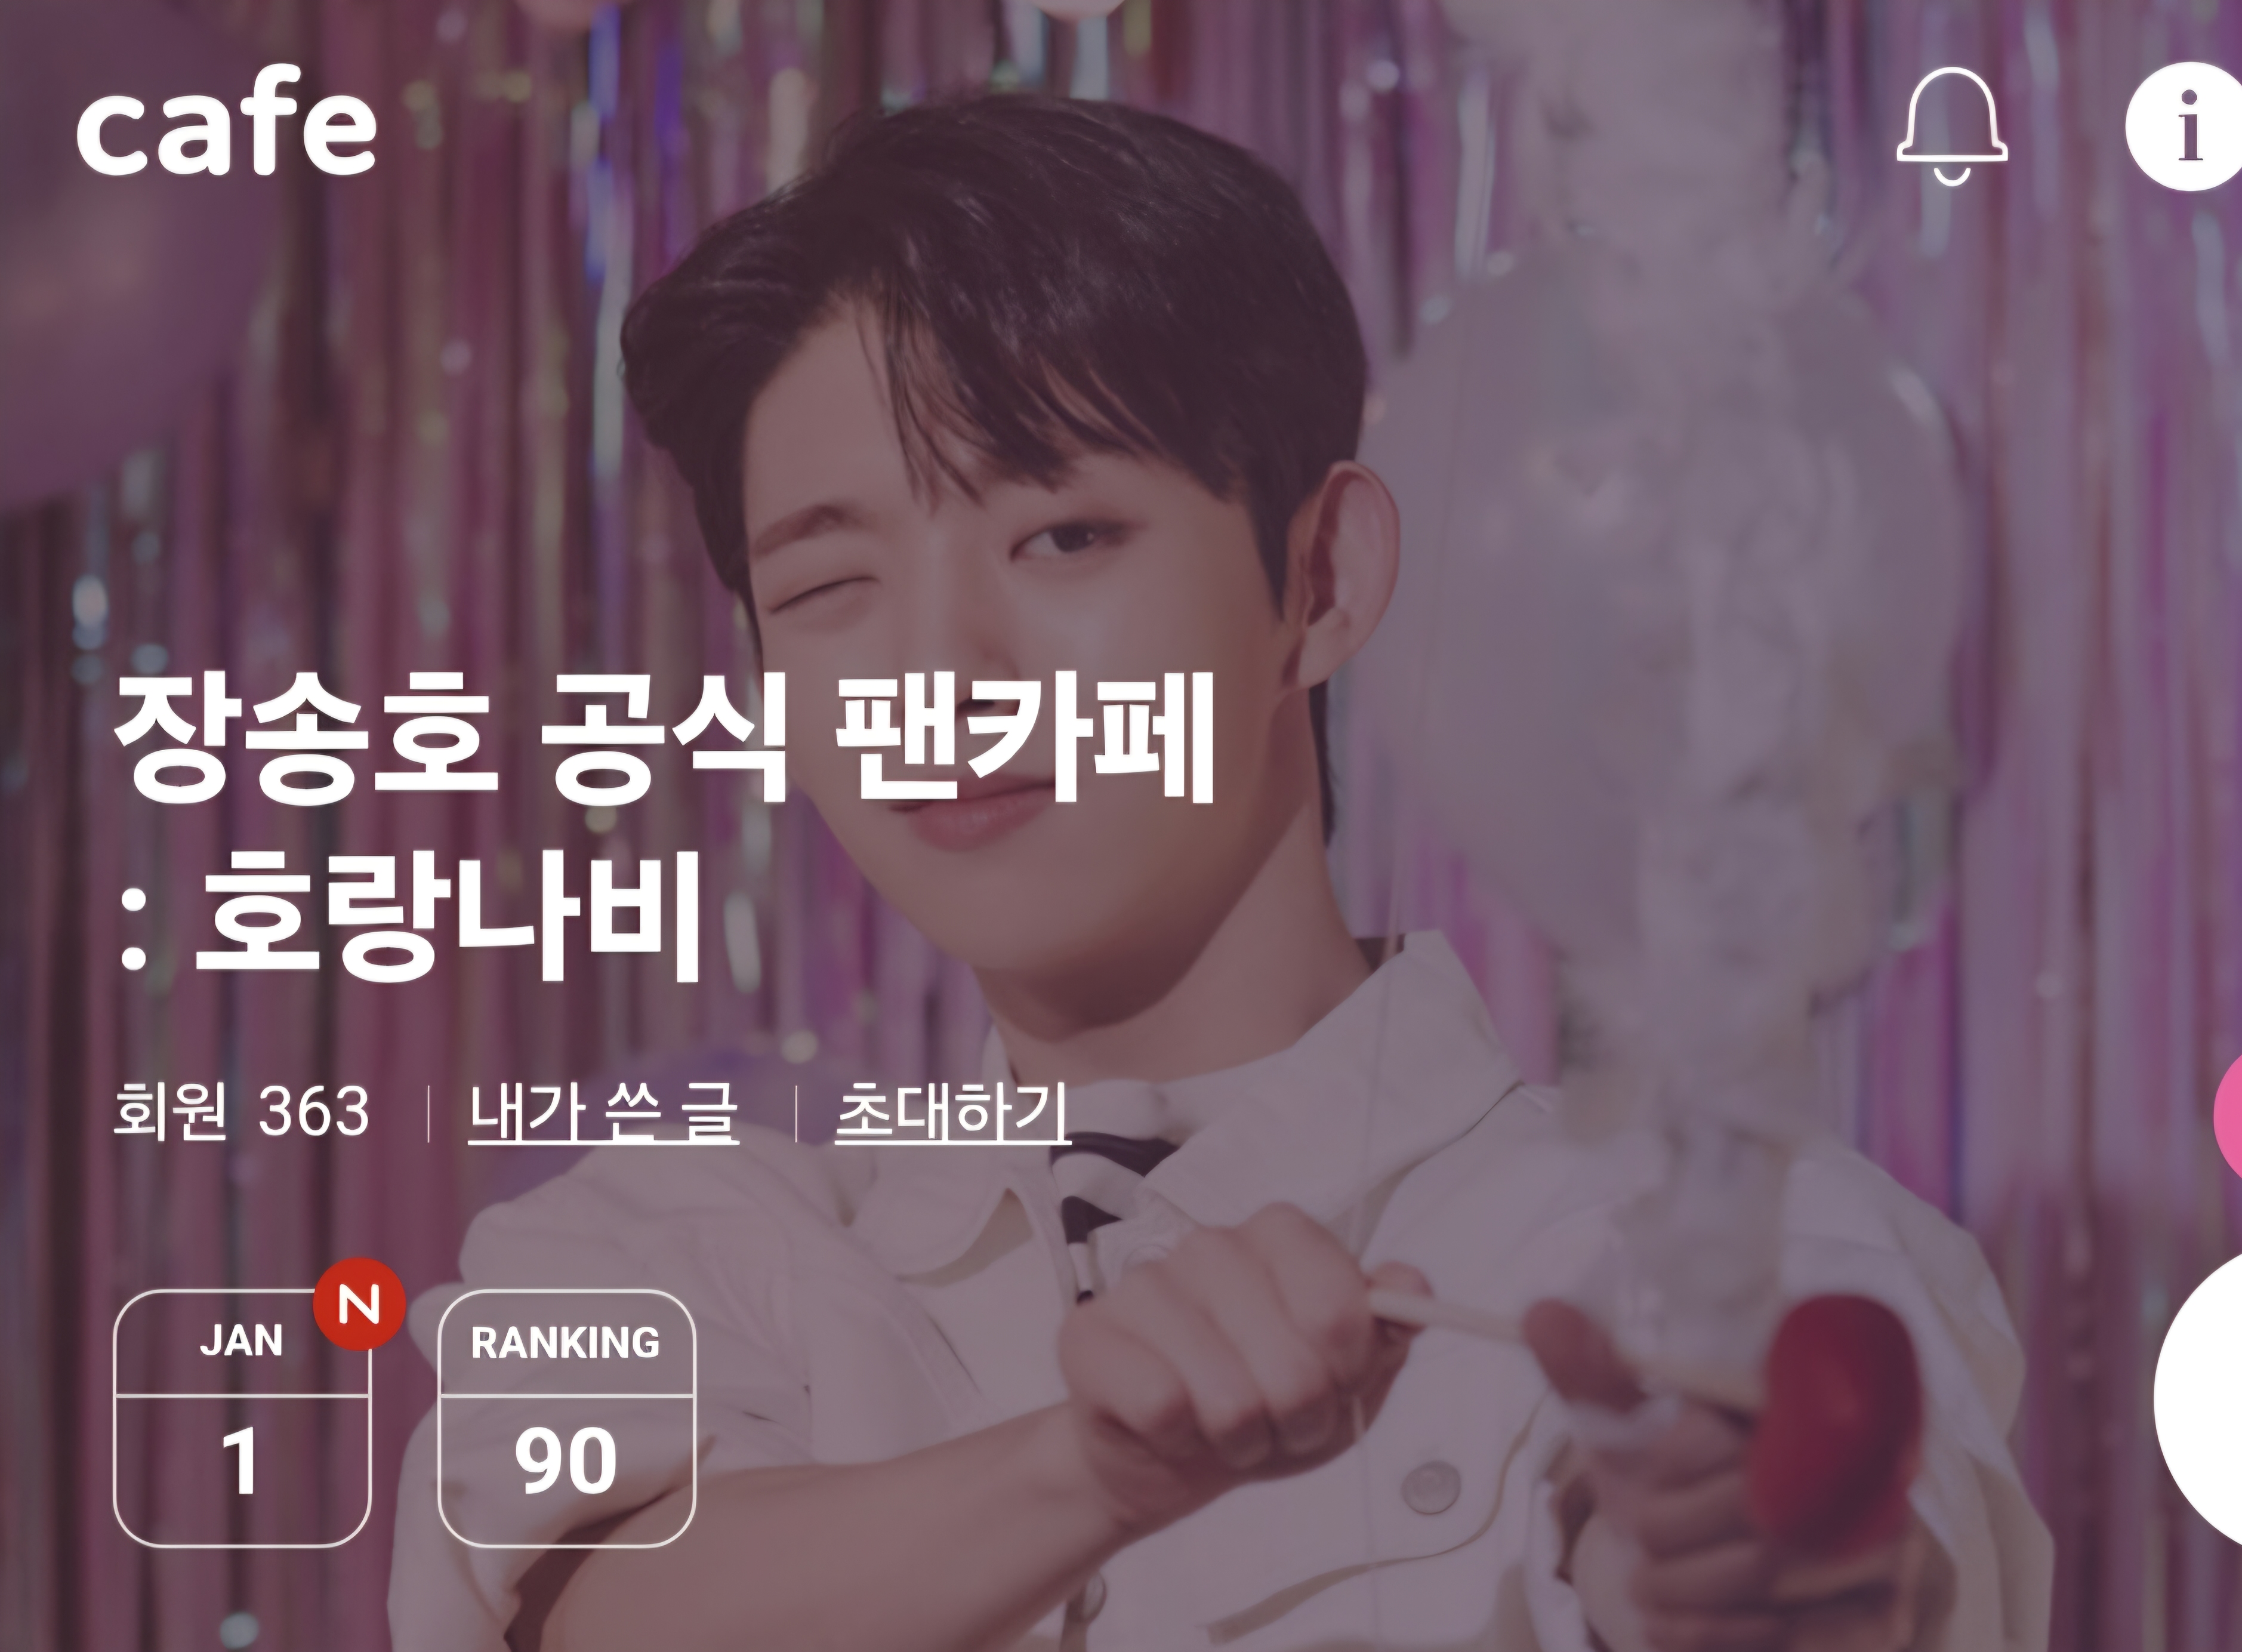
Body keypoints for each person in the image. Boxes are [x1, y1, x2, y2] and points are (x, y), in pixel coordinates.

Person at [387, 93, 2049, 1652]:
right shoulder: (661, 1247)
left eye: (1063, 537)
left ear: (1317, 580)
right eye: (828, 590)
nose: (939, 677)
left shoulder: (1728, 1254)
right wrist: (1095, 1475)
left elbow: (1830, 1570)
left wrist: (1718, 1567)